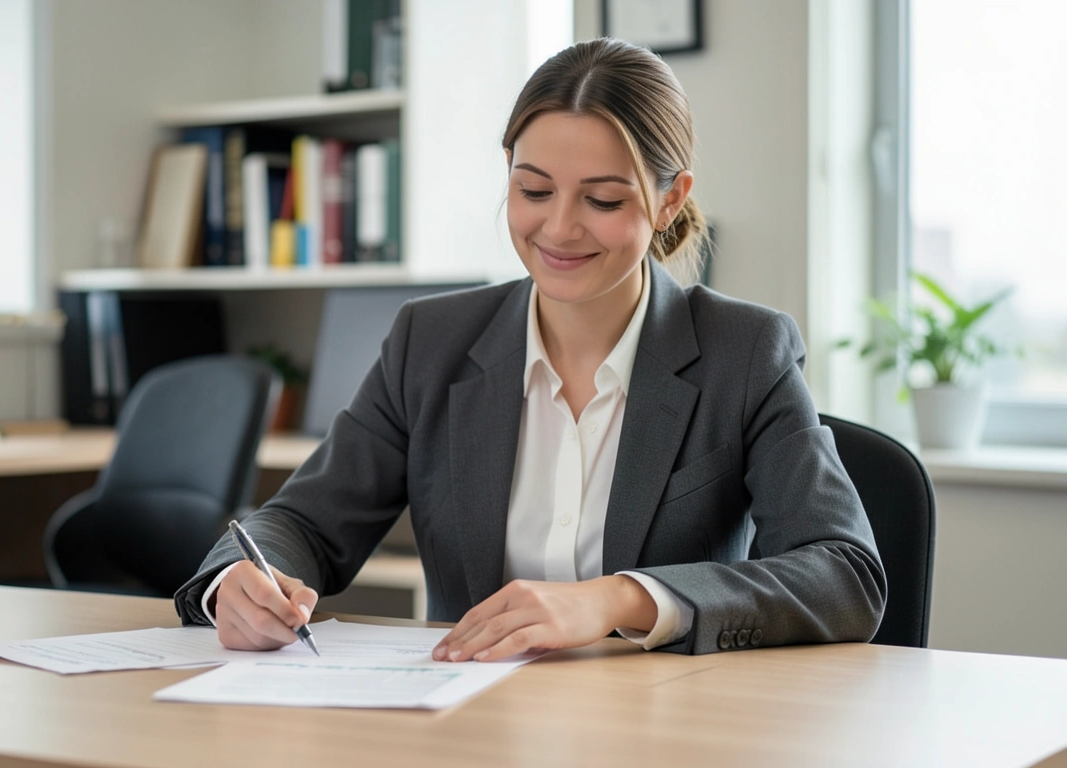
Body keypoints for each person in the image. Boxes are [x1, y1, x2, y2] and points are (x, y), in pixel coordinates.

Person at [173, 38, 885, 659]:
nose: (560, 228)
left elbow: (844, 574)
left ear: (670, 201)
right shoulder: (430, 341)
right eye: (534, 190)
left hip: (660, 727)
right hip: (469, 723)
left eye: (603, 200)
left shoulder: (746, 351)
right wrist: (235, 582)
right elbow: (300, 521)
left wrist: (620, 598)